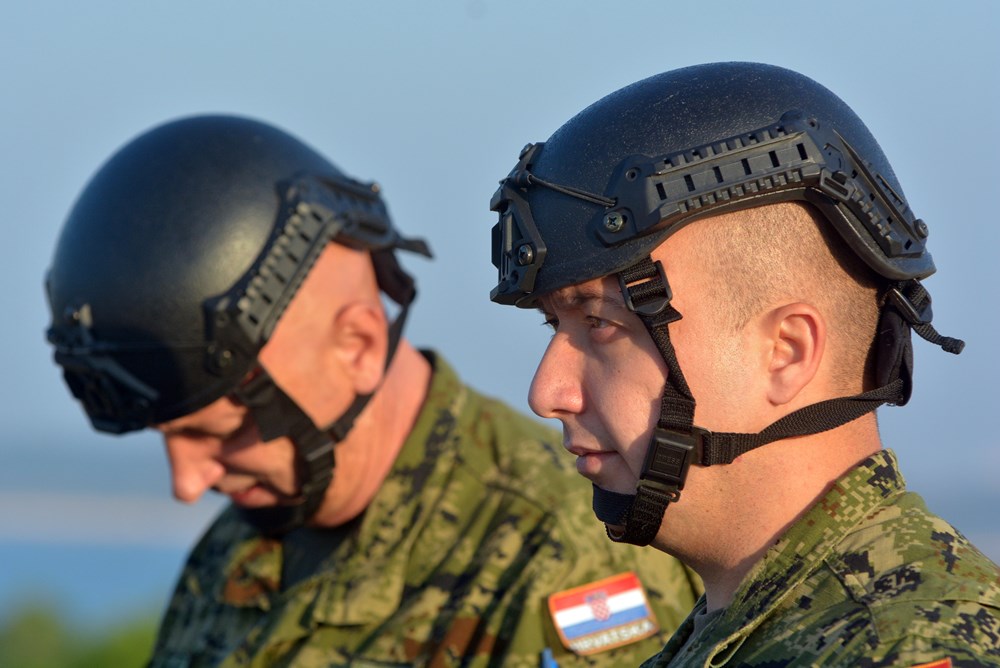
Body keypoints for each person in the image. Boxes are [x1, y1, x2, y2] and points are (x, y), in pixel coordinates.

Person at [44, 115, 703, 666]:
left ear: (357, 347)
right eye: (168, 438)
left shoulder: (561, 560)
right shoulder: (240, 545)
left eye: (218, 433)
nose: (187, 484)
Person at [488, 62, 1000, 666]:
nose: (547, 392)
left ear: (786, 353)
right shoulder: (747, 630)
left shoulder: (903, 647)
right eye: (556, 326)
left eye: (600, 324)